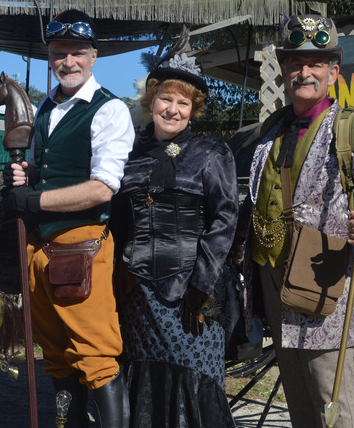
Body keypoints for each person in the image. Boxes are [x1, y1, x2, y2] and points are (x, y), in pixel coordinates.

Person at [233, 14, 354, 427]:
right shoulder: (272, 129)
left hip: (321, 278)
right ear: (284, 69)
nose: (304, 72)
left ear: (332, 72)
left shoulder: (353, 131)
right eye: (295, 63)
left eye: (315, 64)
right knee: (295, 391)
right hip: (271, 274)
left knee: (331, 396)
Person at [5, 9, 135, 428]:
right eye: (60, 53)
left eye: (77, 53)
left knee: (95, 354)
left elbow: (102, 188)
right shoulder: (45, 106)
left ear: (93, 56)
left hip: (81, 247)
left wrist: (36, 201)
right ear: (50, 57)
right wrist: (24, 180)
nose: (68, 62)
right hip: (40, 249)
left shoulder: (108, 110)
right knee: (57, 354)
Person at [110, 52, 238, 426]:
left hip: (191, 294)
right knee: (145, 381)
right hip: (138, 295)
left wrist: (201, 284)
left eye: (183, 103)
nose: (173, 109)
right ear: (151, 101)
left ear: (193, 111)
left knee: (193, 384)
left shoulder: (211, 153)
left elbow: (225, 218)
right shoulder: (128, 152)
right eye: (166, 99)